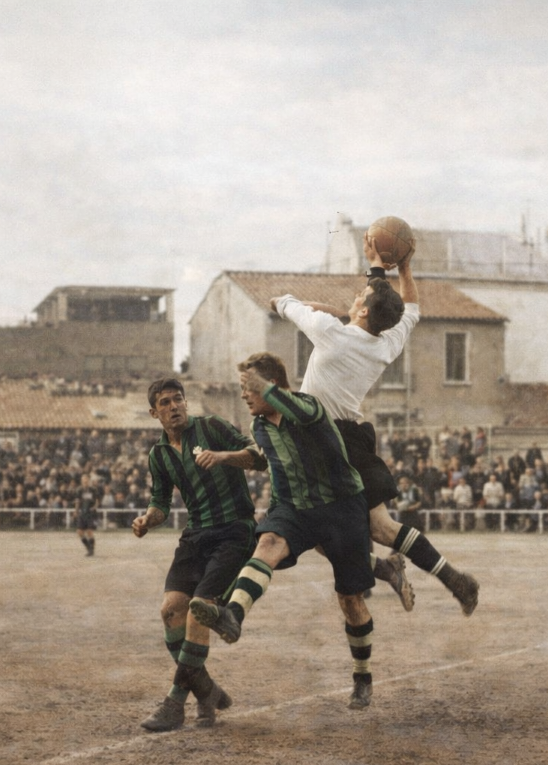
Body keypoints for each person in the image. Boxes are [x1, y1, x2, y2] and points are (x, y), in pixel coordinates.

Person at [268, 222, 478, 616]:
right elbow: (409, 309)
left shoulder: (330, 332)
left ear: (363, 309)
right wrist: (400, 268)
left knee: (312, 530)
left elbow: (290, 306)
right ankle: (452, 578)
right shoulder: (386, 343)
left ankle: (382, 568)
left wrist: (282, 300)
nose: (355, 295)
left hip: (319, 439)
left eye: (359, 296)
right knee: (382, 527)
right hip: (356, 438)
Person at [190, 353, 379, 710]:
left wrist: (264, 385)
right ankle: (232, 615)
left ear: (271, 387)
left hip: (341, 507)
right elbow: (260, 459)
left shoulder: (307, 407)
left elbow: (295, 407)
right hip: (294, 507)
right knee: (268, 542)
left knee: (351, 600)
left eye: (249, 388)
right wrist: (225, 457)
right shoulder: (259, 426)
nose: (244, 395)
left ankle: (363, 676)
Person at [132, 377, 268, 731]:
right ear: (154, 412)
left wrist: (223, 456)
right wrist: (148, 519)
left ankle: (175, 704)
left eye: (178, 399)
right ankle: (206, 690)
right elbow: (160, 502)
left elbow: (259, 457)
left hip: (234, 531)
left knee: (198, 612)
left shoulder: (212, 427)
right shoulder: (158, 454)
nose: (174, 406)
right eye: (165, 402)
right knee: (170, 611)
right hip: (195, 535)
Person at [73, 473, 98, 556]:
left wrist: (94, 507)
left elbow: (97, 501)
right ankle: (88, 547)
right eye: (83, 480)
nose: (85, 482)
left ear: (89, 481)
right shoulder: (79, 490)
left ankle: (92, 549)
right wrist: (76, 511)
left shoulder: (93, 490)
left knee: (89, 531)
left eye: (86, 480)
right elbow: (77, 501)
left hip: (90, 513)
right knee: (79, 532)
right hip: (82, 513)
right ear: (81, 481)